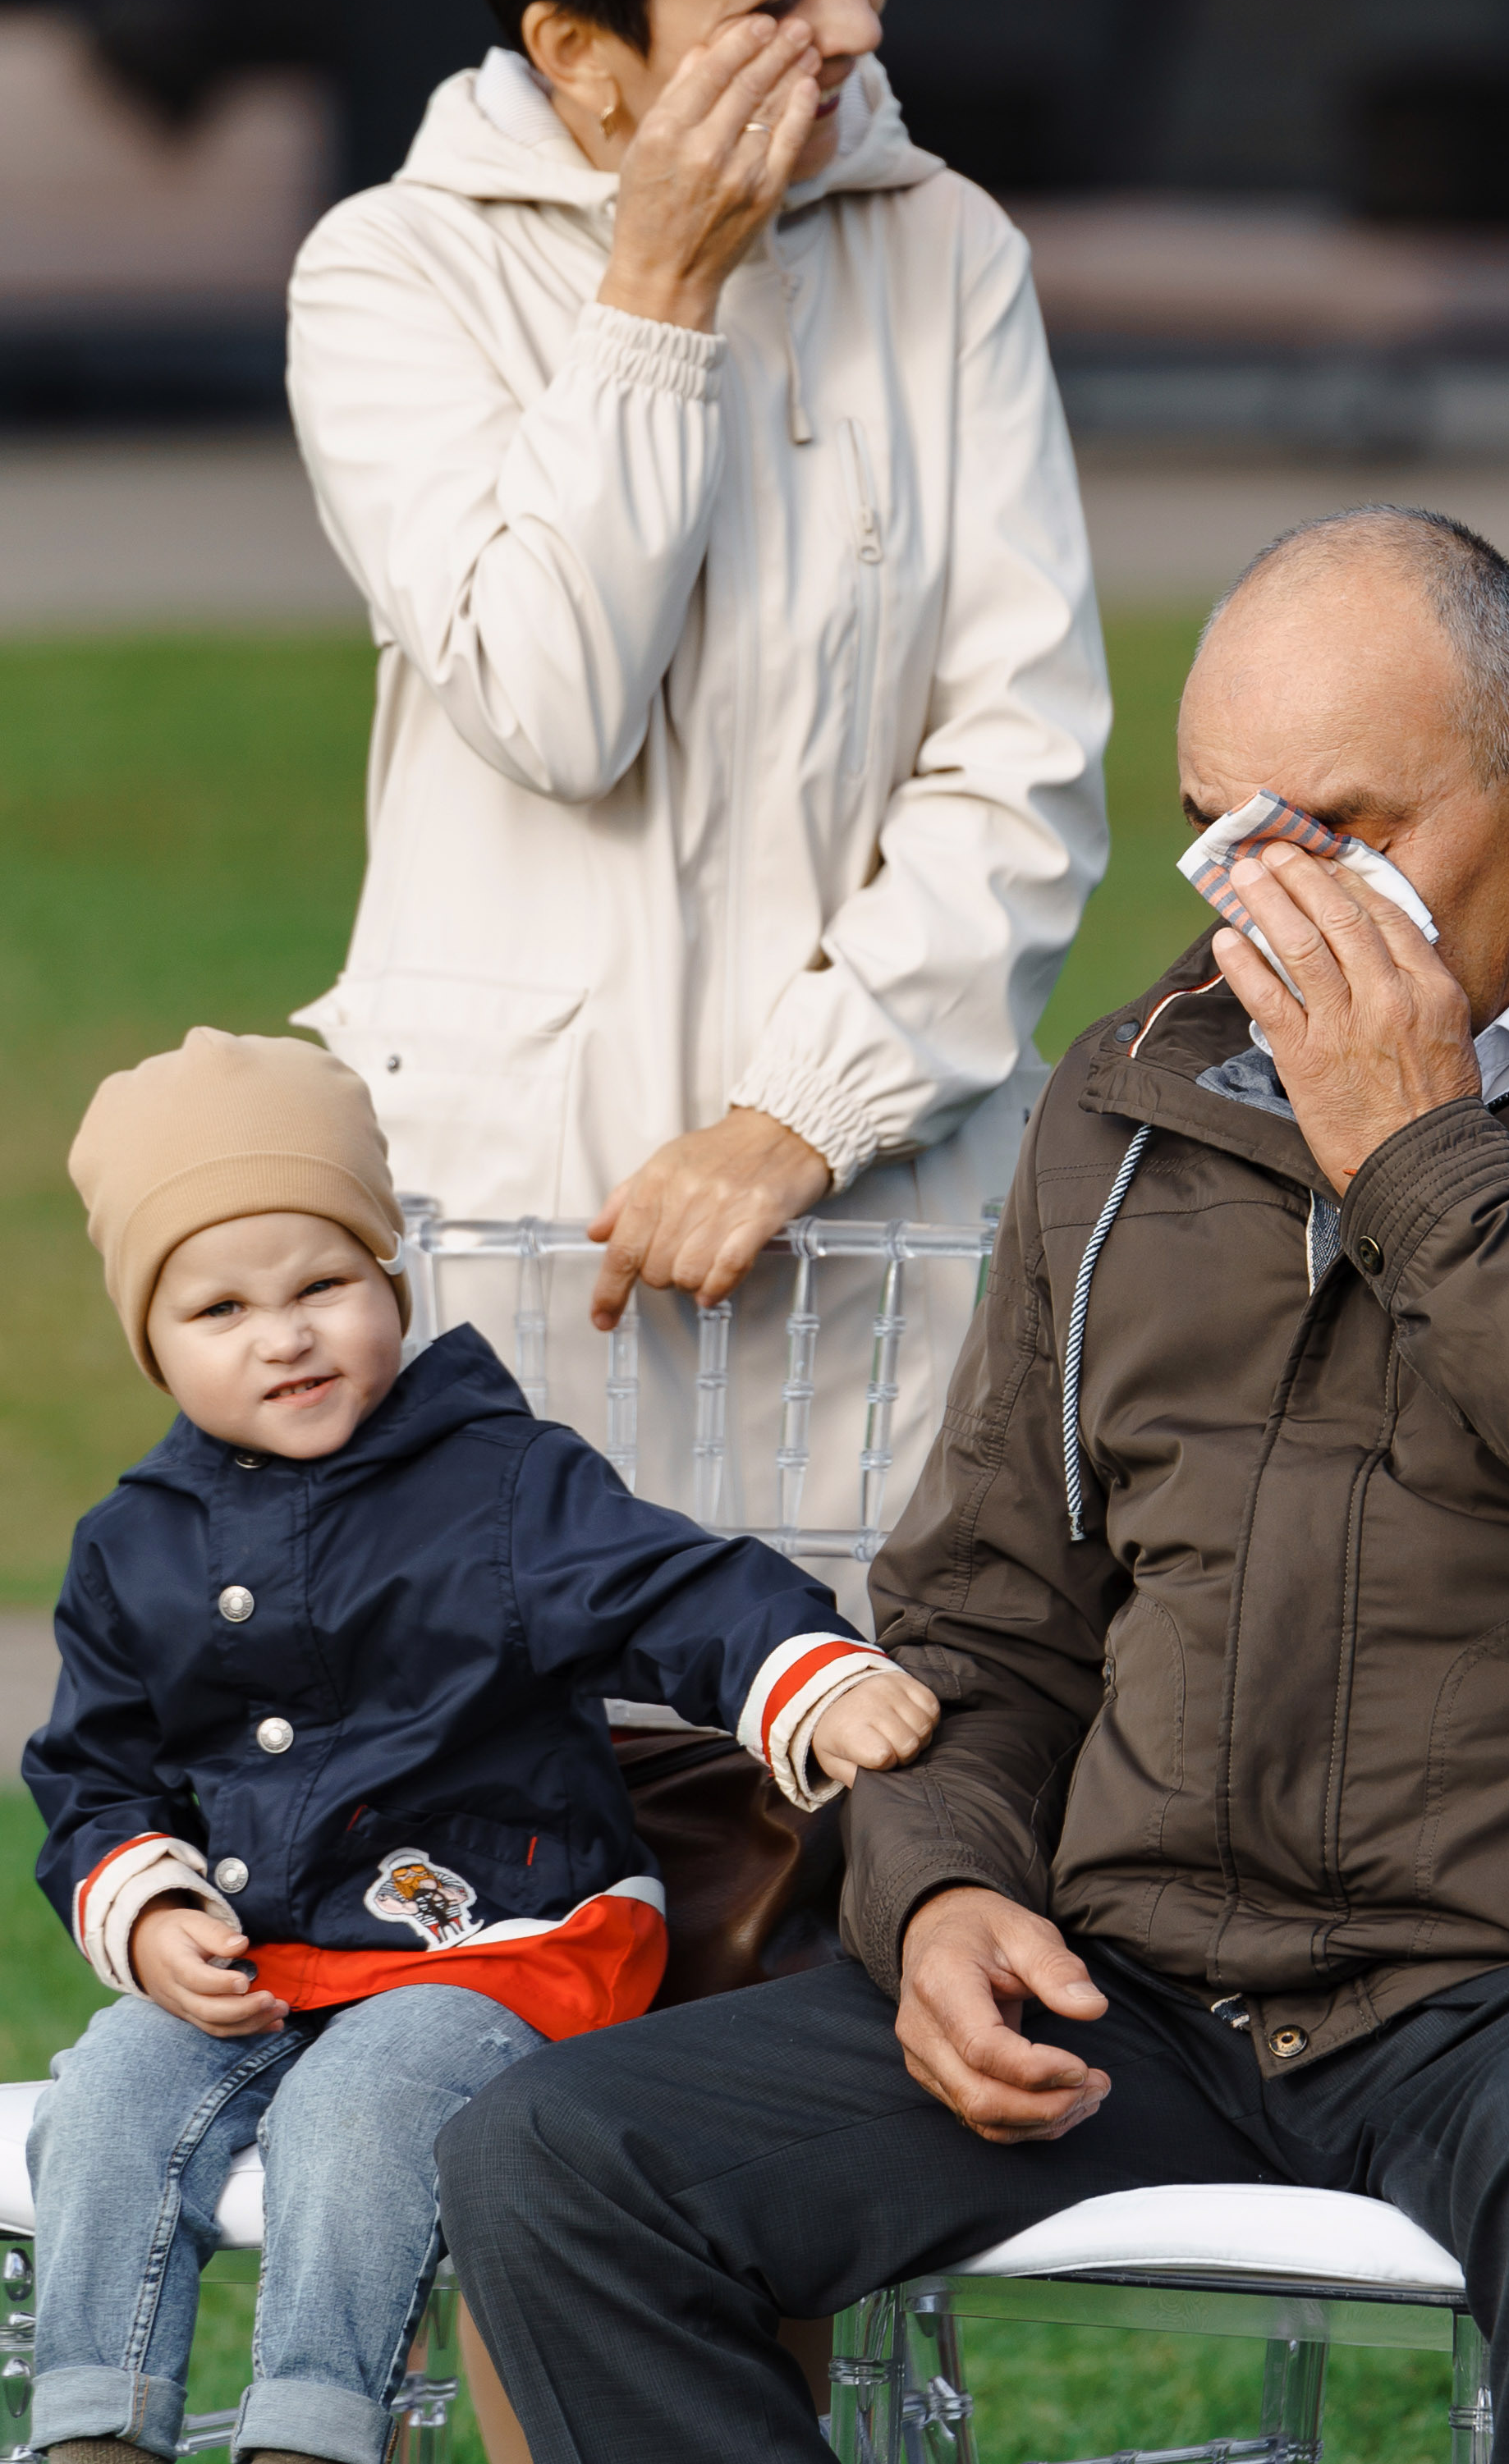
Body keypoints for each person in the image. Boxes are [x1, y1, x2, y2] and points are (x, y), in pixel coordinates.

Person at [436, 507, 1509, 2464]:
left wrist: (1422, 1163)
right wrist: (936, 1897)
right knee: (563, 2158)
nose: (1266, 909)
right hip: (1154, 1985)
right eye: (1221, 831)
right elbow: (984, 1618)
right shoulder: (1133, 1089)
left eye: (1340, 831)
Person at [285, 0, 1108, 1590]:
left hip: (887, 1234)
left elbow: (1025, 766)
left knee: (886, 1812)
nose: (854, 23)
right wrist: (655, 302)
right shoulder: (386, 278)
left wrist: (795, 1119)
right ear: (582, 52)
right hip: (514, 1248)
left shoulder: (947, 252)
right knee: (526, 1839)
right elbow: (553, 702)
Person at [22, 1028, 934, 2464]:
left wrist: (806, 1676)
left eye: (324, 1283)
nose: (285, 1333)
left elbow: (673, 1589)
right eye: (217, 1307)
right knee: (111, 2093)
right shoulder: (135, 1544)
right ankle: (94, 2428)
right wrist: (144, 1903)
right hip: (265, 1956)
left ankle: (313, 2431)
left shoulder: (498, 1483)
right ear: (154, 1339)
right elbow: (91, 1774)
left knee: (363, 2101)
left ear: (390, 1278)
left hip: (505, 1933)